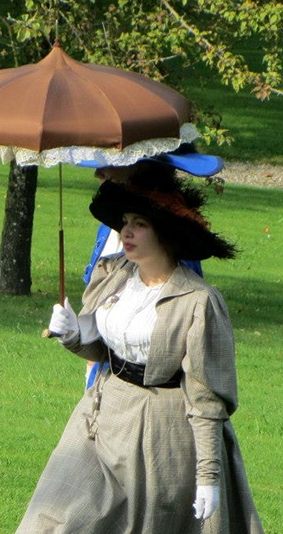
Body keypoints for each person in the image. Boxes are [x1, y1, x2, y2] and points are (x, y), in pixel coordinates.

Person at [0, 164, 283, 534]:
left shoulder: (197, 303)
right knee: (51, 520)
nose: (127, 233)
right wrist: (75, 335)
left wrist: (208, 477)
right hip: (99, 417)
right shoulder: (115, 274)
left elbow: (206, 399)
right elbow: (102, 348)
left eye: (138, 223)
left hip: (162, 436)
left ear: (165, 230)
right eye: (125, 223)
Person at [82, 145, 220, 388]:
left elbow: (182, 333)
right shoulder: (106, 230)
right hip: (104, 385)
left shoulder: (173, 250)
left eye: (111, 160)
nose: (98, 172)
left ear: (140, 166)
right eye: (125, 222)